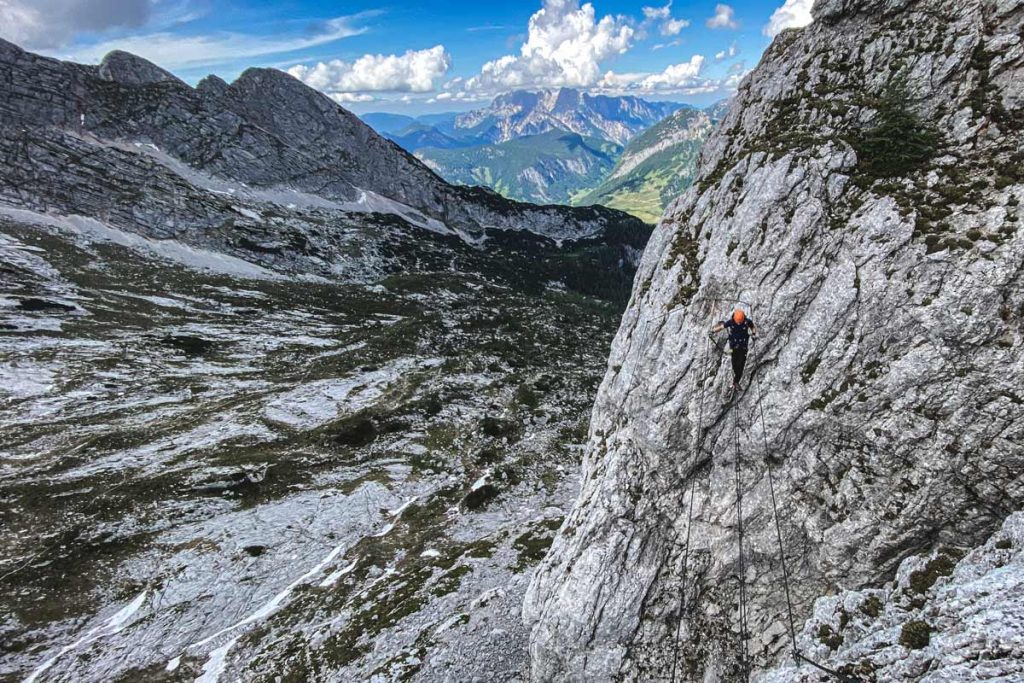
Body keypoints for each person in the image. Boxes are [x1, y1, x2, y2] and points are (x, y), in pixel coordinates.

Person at [712, 308, 756, 390]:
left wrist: (753, 334)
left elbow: (752, 327)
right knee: (735, 364)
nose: (739, 322)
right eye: (738, 321)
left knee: (741, 364)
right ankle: (735, 382)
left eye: (740, 321)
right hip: (734, 347)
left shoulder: (747, 322)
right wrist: (713, 331)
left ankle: (736, 382)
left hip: (743, 346)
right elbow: (721, 327)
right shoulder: (731, 322)